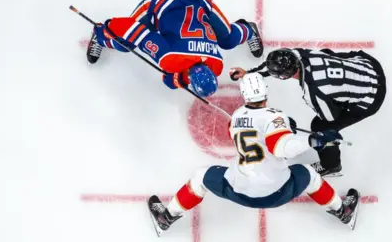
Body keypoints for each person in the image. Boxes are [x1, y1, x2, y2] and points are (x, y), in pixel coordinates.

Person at [147, 73, 360, 236]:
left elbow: (238, 131)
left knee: (201, 178)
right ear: (265, 92)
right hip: (277, 192)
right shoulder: (275, 115)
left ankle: (166, 218)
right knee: (310, 175)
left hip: (239, 190)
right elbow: (281, 147)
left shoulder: (238, 115)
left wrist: (284, 128)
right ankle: (343, 212)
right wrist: (312, 139)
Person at [86, 0, 263, 98]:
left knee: (229, 39)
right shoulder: (170, 59)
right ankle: (99, 37)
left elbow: (181, 74)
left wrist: (180, 79)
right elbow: (136, 31)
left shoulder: (216, 64)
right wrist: (105, 30)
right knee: (125, 43)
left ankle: (249, 30)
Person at [230, 48, 386, 177]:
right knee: (328, 54)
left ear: (284, 77)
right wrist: (249, 73)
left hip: (371, 97)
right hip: (368, 65)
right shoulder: (302, 55)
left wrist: (334, 100)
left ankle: (331, 165)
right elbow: (275, 63)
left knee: (320, 126)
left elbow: (330, 117)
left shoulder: (314, 93)